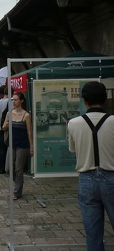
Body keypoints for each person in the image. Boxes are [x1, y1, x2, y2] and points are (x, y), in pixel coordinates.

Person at [68, 81, 114, 250]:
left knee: (93, 234)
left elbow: (73, 149)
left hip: (87, 178)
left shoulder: (73, 123)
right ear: (106, 98)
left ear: (84, 100)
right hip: (112, 176)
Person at [2, 92, 33, 200]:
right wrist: (7, 123)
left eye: (16, 100)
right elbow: (3, 128)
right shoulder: (9, 113)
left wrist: (31, 146)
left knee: (18, 169)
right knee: (8, 168)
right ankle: (19, 181)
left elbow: (29, 132)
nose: (14, 102)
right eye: (13, 100)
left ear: (21, 101)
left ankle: (17, 192)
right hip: (12, 144)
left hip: (23, 145)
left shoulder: (26, 115)